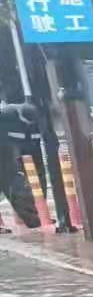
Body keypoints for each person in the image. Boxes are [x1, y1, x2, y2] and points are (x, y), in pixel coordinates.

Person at [0, 99, 42, 231]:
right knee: (13, 182)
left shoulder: (36, 119)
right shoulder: (6, 116)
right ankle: (32, 220)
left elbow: (31, 142)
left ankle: (32, 220)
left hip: (10, 151)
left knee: (16, 183)